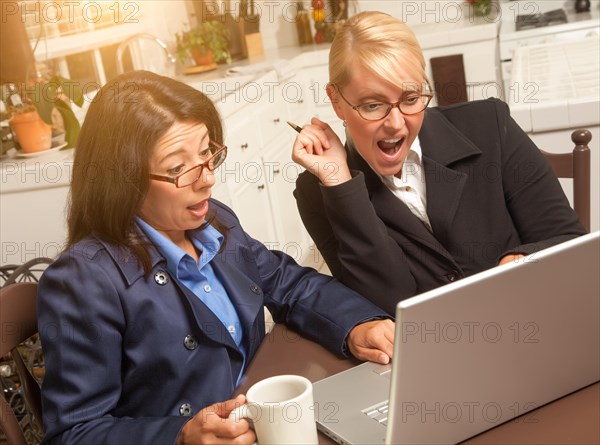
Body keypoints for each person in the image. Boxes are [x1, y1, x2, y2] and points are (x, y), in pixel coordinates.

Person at [37, 71, 395, 445]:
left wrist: (358, 323)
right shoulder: (82, 280)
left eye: (207, 152)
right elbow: (73, 434)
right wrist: (180, 436)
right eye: (178, 168)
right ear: (121, 181)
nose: (207, 178)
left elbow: (287, 282)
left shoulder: (215, 221)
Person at [291, 11, 586, 316]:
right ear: (337, 101)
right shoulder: (320, 193)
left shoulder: (490, 126)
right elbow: (385, 309)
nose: (395, 124)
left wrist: (522, 260)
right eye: (372, 105)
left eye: (410, 98)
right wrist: (341, 184)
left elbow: (569, 243)